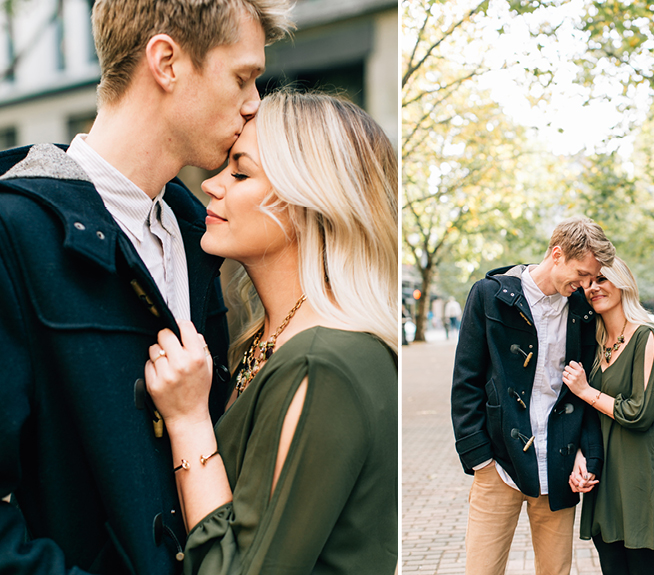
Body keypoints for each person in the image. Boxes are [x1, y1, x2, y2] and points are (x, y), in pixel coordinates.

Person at [0, 1, 292, 573]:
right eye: (242, 77)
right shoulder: (14, 232)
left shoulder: (203, 236)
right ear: (166, 62)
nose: (254, 102)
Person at [144, 90, 398, 574]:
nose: (212, 185)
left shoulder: (320, 364)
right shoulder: (273, 336)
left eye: (240, 172)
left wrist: (188, 422)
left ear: (306, 203)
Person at [451, 216, 615, 575]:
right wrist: (480, 459)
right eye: (582, 273)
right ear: (557, 254)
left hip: (558, 463)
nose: (587, 285)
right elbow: (466, 382)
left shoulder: (582, 312)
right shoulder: (489, 296)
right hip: (498, 465)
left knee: (556, 571)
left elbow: (585, 392)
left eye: (592, 277)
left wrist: (587, 454)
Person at [562, 257, 654, 575]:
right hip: (604, 477)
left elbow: (639, 412)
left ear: (622, 282)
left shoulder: (647, 336)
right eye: (587, 283)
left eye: (602, 280)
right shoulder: (595, 345)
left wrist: (585, 391)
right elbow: (587, 416)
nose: (593, 288)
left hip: (639, 477)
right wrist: (581, 457)